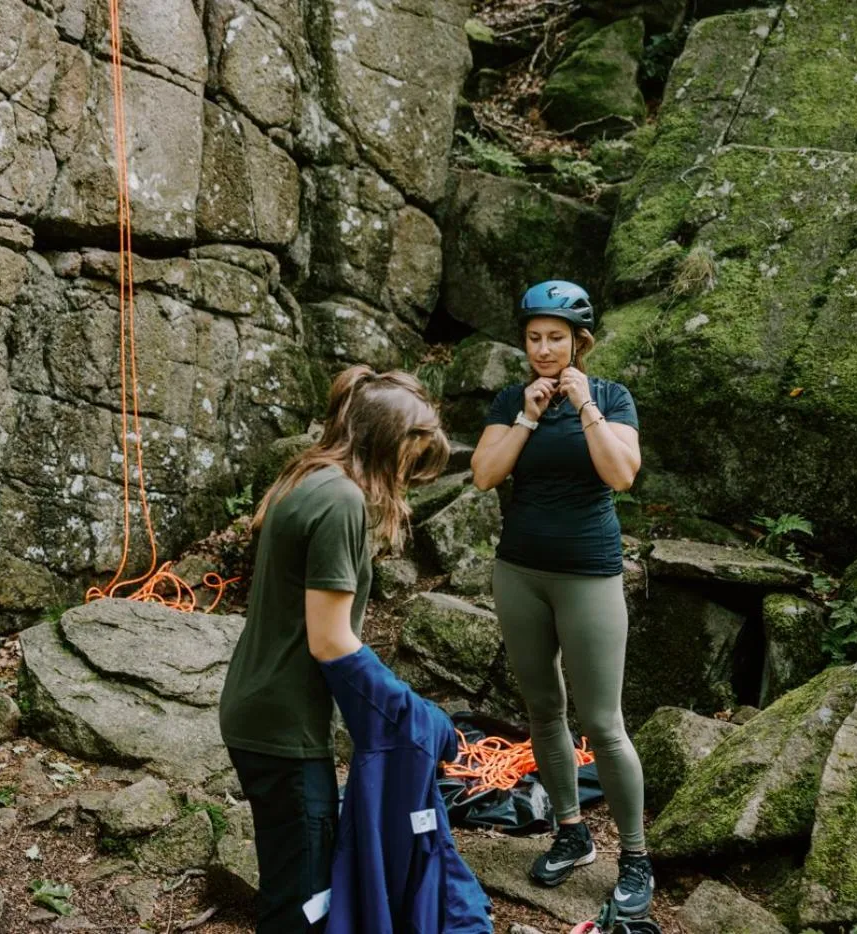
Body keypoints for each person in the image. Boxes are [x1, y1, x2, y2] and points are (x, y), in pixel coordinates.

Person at [218, 365, 450, 933]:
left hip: (261, 708)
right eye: (413, 449)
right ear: (387, 438)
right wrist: (408, 709)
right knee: (303, 900)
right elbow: (330, 640)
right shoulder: (342, 500)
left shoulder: (308, 475)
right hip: (283, 727)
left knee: (292, 878)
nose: (413, 467)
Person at [470, 280, 653, 918]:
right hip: (520, 571)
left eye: (557, 338)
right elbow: (486, 473)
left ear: (580, 341)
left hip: (589, 573)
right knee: (543, 711)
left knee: (603, 723)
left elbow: (621, 474)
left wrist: (584, 408)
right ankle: (571, 833)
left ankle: (634, 857)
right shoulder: (509, 400)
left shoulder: (610, 396)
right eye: (534, 338)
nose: (545, 349)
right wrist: (525, 414)